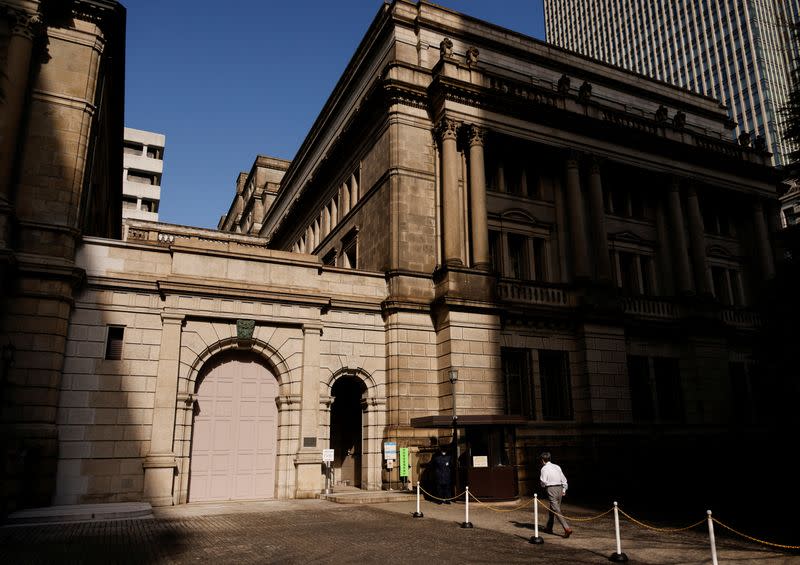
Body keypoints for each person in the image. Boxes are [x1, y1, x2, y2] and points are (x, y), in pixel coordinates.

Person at [539, 451, 572, 538]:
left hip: (551, 489)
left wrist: (543, 486)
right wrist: (564, 489)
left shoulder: (544, 469)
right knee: (553, 509)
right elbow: (564, 479)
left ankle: (566, 528)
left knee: (557, 510)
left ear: (542, 460)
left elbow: (543, 481)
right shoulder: (557, 466)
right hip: (560, 488)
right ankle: (549, 528)